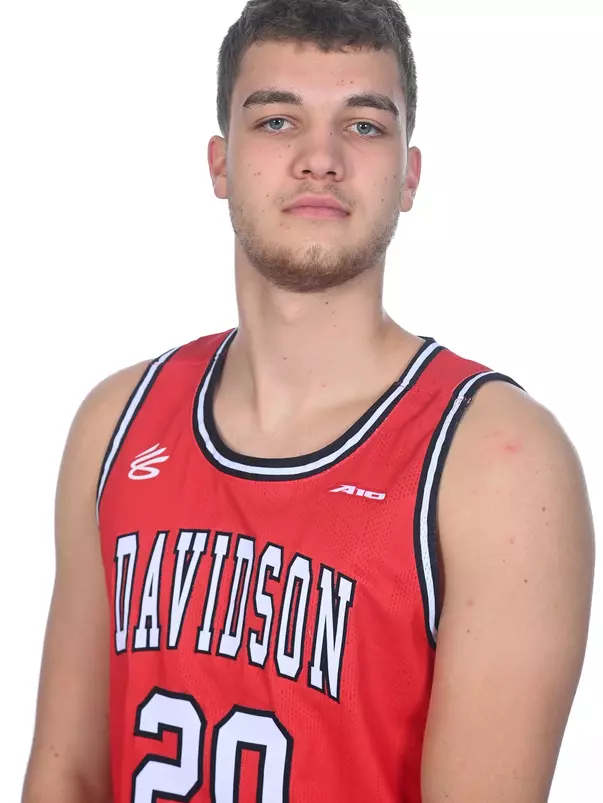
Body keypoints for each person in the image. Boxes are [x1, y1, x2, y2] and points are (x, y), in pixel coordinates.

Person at [22, 1, 595, 801]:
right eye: (277, 121)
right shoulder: (115, 424)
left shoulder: (495, 463)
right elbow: (67, 776)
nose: (319, 158)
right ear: (219, 165)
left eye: (363, 126)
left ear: (409, 175)